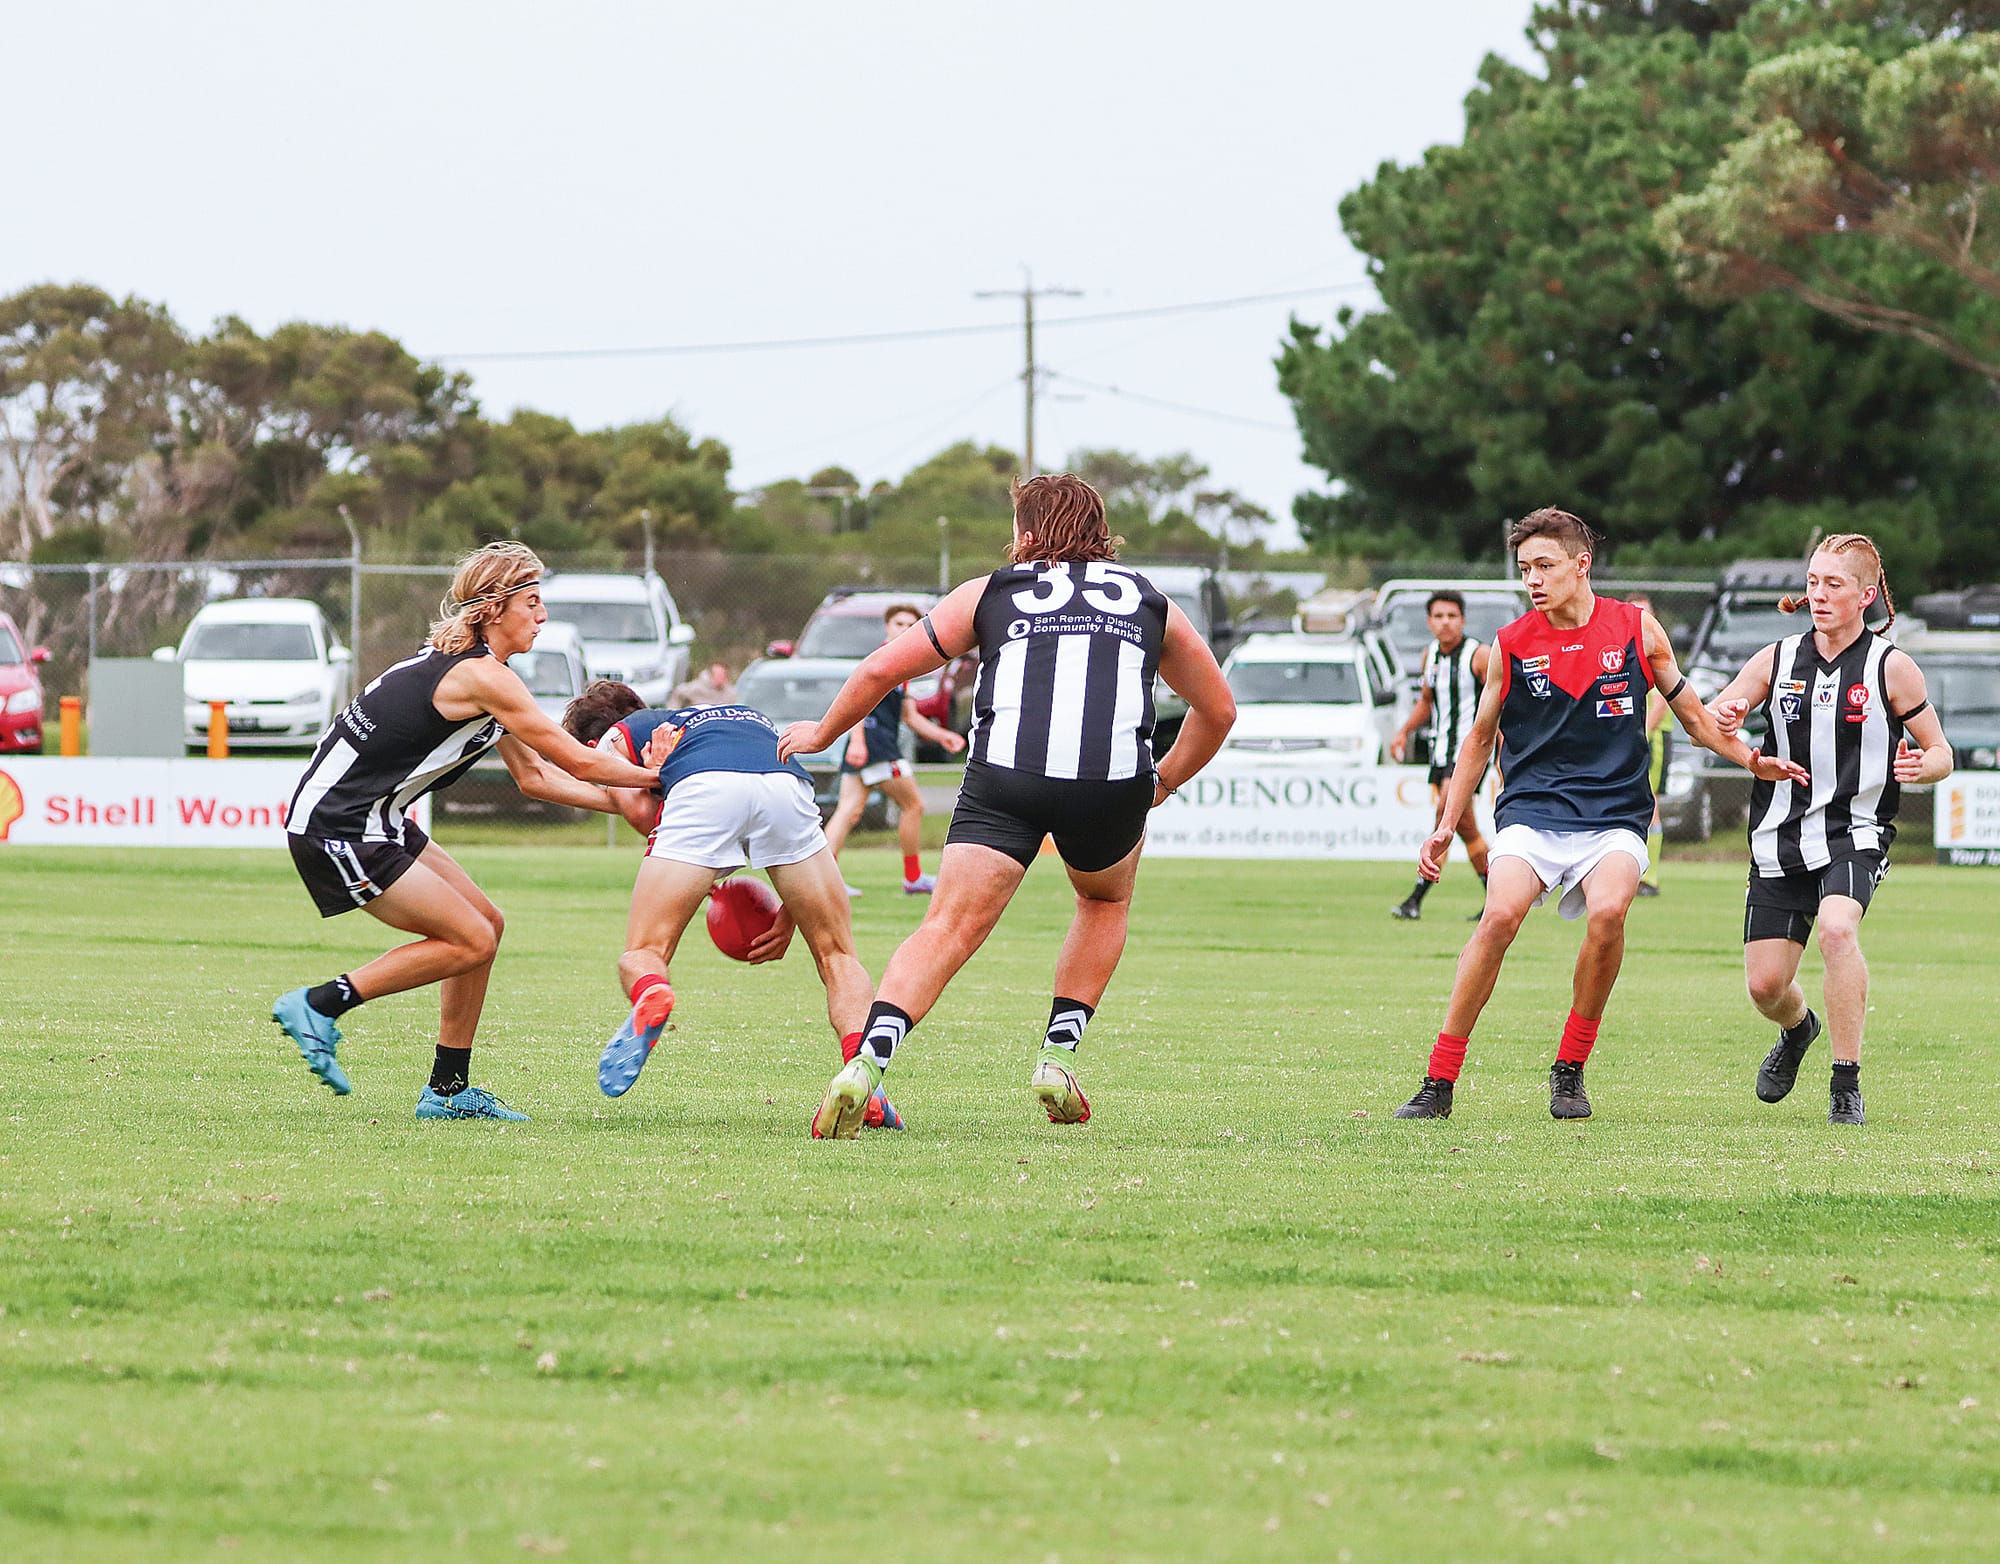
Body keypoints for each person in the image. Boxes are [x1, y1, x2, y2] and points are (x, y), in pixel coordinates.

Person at [776, 473, 1237, 1138]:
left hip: (1006, 779)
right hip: (1109, 784)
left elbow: (882, 670)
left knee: (946, 929)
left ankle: (867, 1065)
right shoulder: (1149, 598)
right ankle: (1057, 1056)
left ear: (1026, 534)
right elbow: (1217, 709)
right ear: (1099, 533)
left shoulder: (989, 592)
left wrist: (820, 733)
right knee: (1102, 901)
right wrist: (1160, 784)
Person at [1392, 508, 1808, 1122]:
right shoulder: (1509, 644)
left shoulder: (1638, 629)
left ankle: (1569, 1068)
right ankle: (1439, 1079)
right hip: (1533, 808)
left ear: (1581, 565)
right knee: (1500, 914)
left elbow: (1695, 719)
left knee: (1609, 912)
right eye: (1525, 568)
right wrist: (1446, 824)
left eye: (1545, 566)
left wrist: (1751, 759)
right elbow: (1479, 741)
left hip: (1615, 810)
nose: (1532, 580)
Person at [272, 543, 670, 1120]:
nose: (542, 615)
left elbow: (534, 777)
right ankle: (319, 1004)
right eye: (531, 603)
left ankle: (447, 1090)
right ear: (493, 609)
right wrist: (661, 777)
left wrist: (632, 809)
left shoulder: (488, 675)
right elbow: (577, 762)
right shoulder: (483, 678)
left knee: (487, 925)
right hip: (339, 827)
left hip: (375, 819)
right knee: (470, 941)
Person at [559, 680, 902, 1131]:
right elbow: (770, 805)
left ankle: (650, 994)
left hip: (703, 790)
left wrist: (660, 792)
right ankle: (867, 1086)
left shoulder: (623, 733)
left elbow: (640, 812)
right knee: (838, 955)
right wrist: (790, 911)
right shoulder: (735, 713)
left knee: (643, 952)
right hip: (786, 784)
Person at [1706, 535, 1952, 1125]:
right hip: (1778, 837)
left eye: (1833, 584)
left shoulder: (1892, 667)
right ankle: (1798, 1029)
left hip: (1856, 831)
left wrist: (1925, 767)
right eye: (1813, 581)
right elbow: (1714, 720)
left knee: (1837, 932)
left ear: (1866, 596)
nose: (1818, 593)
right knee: (1766, 987)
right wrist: (1732, 724)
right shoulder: (1776, 659)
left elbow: (1941, 752)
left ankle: (1846, 1084)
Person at [820, 601, 967, 896]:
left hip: (869, 744)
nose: (905, 630)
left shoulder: (904, 665)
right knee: (914, 805)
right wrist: (859, 740)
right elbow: (856, 702)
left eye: (912, 625)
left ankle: (824, 879)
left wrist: (941, 736)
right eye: (899, 624)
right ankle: (912, 877)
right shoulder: (881, 658)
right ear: (887, 627)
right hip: (875, 744)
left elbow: (909, 716)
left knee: (848, 810)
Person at [1388, 590, 1492, 921]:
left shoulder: (1479, 655)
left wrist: (1505, 750)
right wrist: (1403, 731)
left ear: (1462, 620)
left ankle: (1417, 898)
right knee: (1455, 825)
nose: (1445, 622)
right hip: (1440, 752)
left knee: (1451, 816)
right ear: (1429, 622)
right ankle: (1493, 896)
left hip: (1468, 751)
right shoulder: (1429, 655)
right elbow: (1427, 701)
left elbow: (1501, 704)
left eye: (1451, 616)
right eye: (1438, 616)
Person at [1626, 593, 1669, 898]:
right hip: (1634, 738)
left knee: (1649, 803)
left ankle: (1650, 877)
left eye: (1646, 612)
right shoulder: (1626, 650)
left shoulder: (1656, 646)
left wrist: (1640, 734)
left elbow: (1662, 701)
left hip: (1650, 740)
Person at [669, 661, 736, 710]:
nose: (721, 678)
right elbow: (678, 692)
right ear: (711, 675)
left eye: (723, 675)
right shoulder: (697, 687)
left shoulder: (729, 692)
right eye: (718, 675)